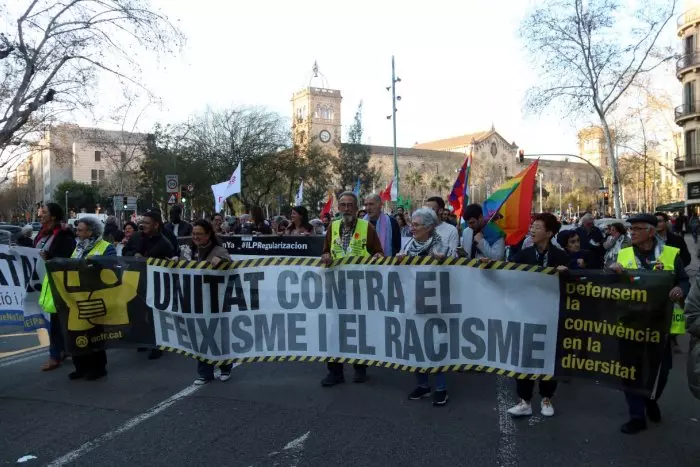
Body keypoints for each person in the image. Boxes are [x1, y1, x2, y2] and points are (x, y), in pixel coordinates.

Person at [608, 213, 689, 434]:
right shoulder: (622, 253)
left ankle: (650, 398)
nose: (632, 232)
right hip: (629, 322)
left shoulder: (671, 254)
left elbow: (683, 279)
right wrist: (613, 272)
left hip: (660, 325)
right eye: (630, 229)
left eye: (638, 228)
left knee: (662, 371)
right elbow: (605, 280)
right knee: (630, 370)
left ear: (651, 232)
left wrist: (681, 288)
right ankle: (636, 415)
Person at [507, 213, 569, 418]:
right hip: (526, 316)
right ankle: (524, 401)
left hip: (552, 318)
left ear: (549, 233)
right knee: (524, 357)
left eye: (538, 227)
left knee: (550, 357)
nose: (532, 230)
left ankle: (546, 398)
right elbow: (506, 273)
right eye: (532, 226)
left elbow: (576, 284)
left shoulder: (561, 257)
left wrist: (566, 274)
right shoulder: (523, 255)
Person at [320, 191, 384, 387]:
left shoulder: (367, 227)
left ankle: (360, 368)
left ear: (357, 208)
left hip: (360, 288)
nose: (346, 209)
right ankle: (335, 371)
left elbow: (379, 252)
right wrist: (326, 257)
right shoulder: (333, 226)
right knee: (334, 331)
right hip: (337, 288)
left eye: (350, 205)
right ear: (338, 208)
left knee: (359, 329)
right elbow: (325, 252)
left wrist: (378, 258)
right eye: (343, 205)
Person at [398, 207, 450, 406]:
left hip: (434, 304)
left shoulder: (441, 246)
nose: (412, 227)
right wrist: (399, 262)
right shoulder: (409, 244)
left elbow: (455, 270)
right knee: (415, 343)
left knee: (434, 345)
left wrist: (443, 262)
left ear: (429, 227)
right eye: (412, 223)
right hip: (412, 302)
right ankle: (422, 384)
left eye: (417, 225)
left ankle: (441, 387)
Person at [68, 217, 116, 381]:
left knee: (94, 333)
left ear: (91, 232)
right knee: (76, 331)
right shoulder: (78, 247)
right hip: (76, 296)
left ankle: (98, 368)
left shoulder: (106, 247)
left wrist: (94, 267)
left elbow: (112, 268)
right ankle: (80, 366)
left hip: (95, 295)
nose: (77, 233)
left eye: (81, 230)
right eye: (77, 230)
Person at [123, 210, 174, 360]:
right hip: (136, 281)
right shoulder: (137, 237)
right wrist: (134, 256)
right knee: (136, 312)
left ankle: (157, 345)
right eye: (142, 222)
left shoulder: (164, 242)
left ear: (156, 225)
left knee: (153, 315)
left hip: (155, 283)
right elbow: (126, 251)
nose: (142, 225)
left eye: (146, 222)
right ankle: (142, 339)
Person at [190, 219, 233, 384]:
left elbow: (231, 269)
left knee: (219, 333)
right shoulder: (189, 250)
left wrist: (222, 264)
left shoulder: (219, 251)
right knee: (201, 335)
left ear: (208, 234)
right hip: (197, 299)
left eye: (199, 234)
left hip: (216, 300)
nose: (196, 237)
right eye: (194, 234)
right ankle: (204, 372)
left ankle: (225, 366)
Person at [36, 203, 76, 372]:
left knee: (56, 321)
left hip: (58, 283)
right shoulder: (43, 233)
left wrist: (49, 257)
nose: (40, 215)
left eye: (44, 212)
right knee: (57, 320)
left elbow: (67, 257)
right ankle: (63, 350)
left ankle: (55, 355)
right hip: (43, 282)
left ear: (53, 216)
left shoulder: (64, 235)